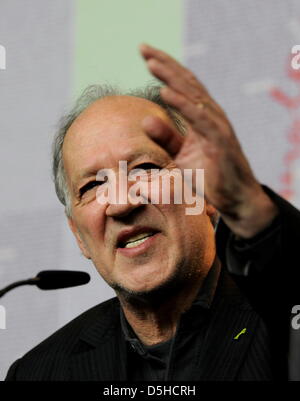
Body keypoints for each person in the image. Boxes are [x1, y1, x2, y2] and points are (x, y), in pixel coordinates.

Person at [5, 44, 300, 381]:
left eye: (144, 168)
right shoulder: (38, 374)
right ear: (79, 236)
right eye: (91, 187)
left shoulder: (283, 320)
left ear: (205, 192)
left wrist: (254, 212)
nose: (122, 203)